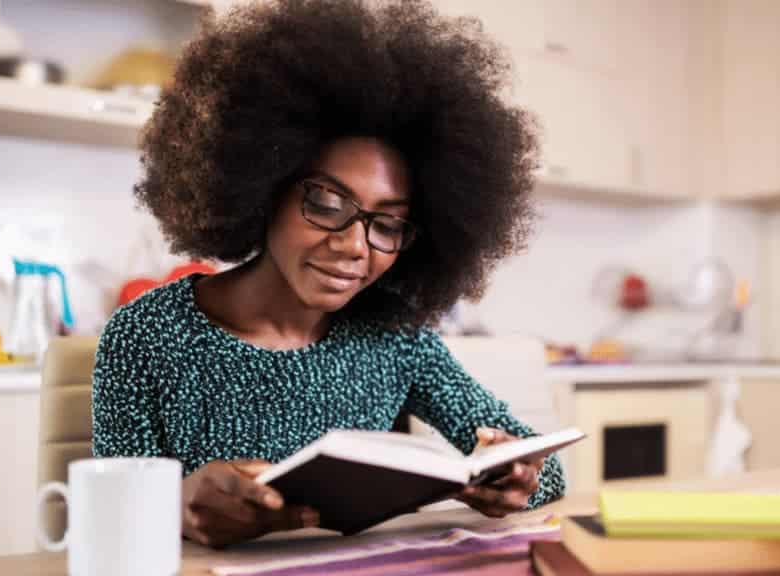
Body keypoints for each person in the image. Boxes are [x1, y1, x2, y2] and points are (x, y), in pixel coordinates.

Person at [92, 0, 563, 549]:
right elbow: (109, 514)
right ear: (262, 184)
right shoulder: (145, 335)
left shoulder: (396, 341)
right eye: (326, 200)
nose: (354, 246)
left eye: (387, 224)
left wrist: (516, 480)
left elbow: (540, 466)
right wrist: (174, 506)